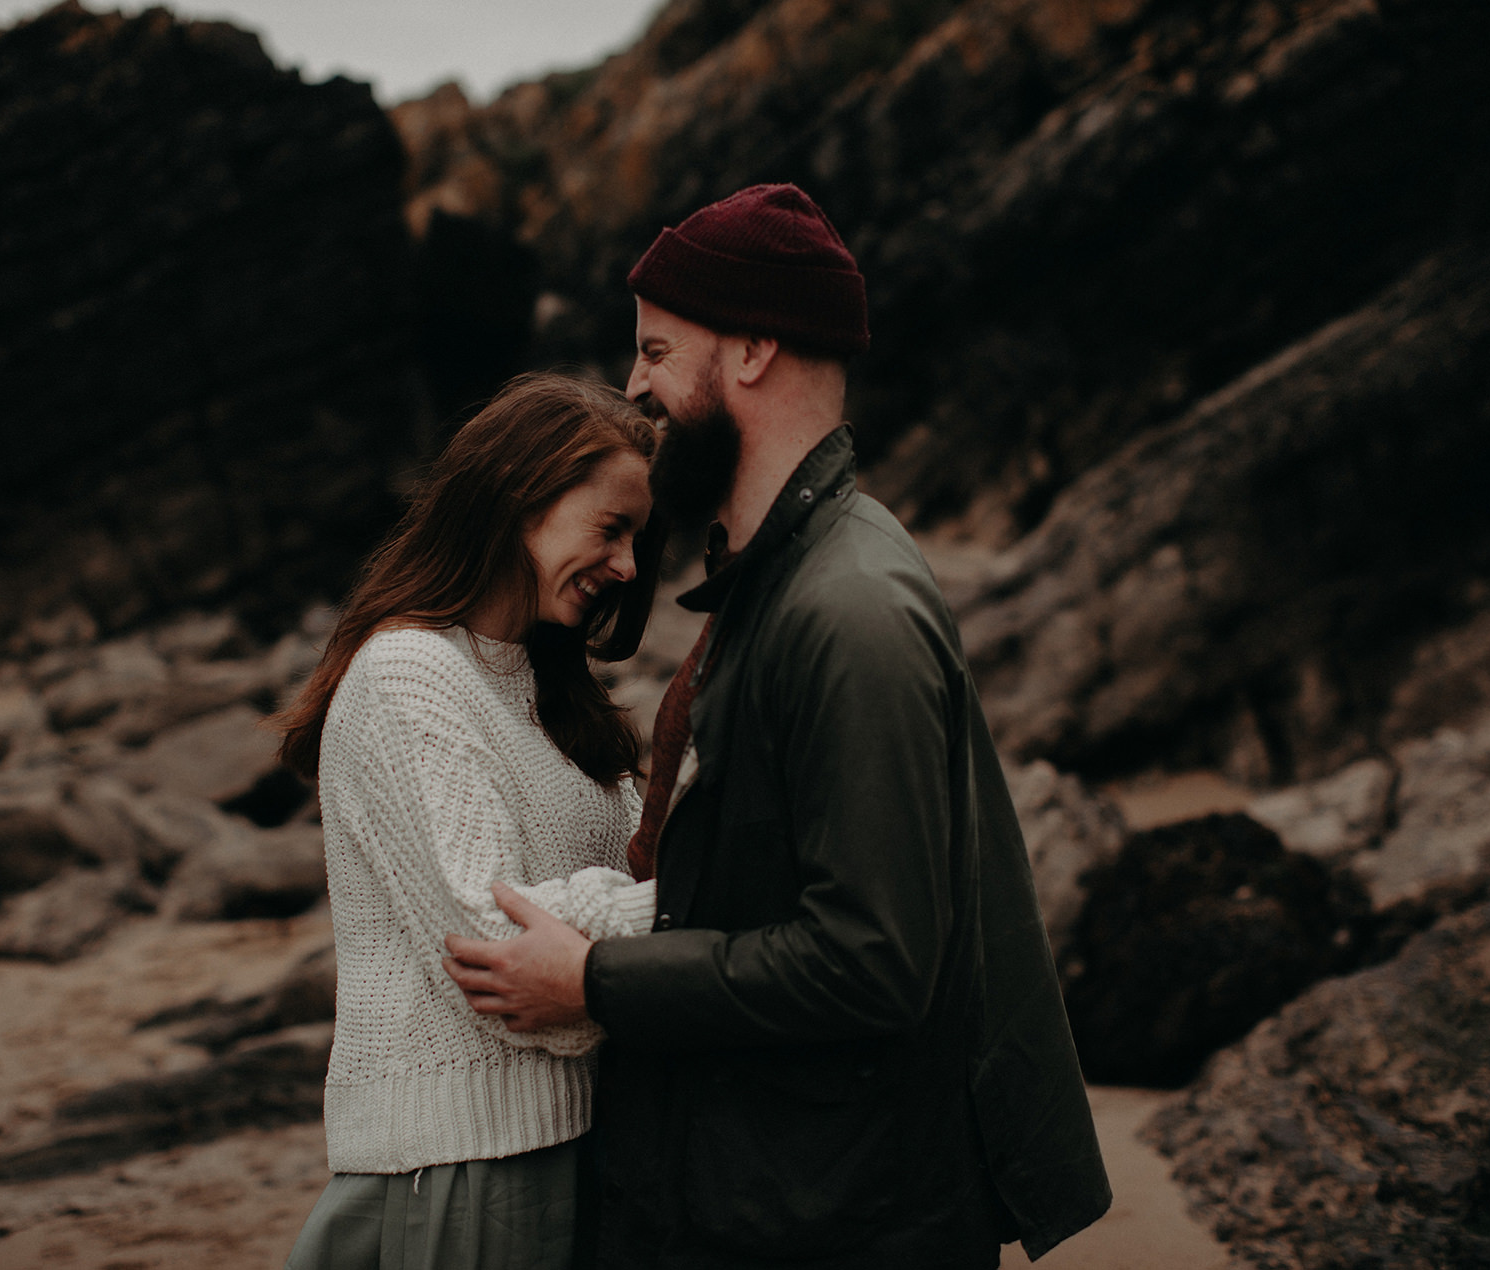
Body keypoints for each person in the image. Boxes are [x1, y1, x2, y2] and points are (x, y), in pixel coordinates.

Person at [443, 186, 1112, 1268]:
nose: (634, 386)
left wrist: (595, 979)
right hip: (785, 1190)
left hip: (837, 1215)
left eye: (657, 350)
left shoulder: (848, 607)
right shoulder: (778, 583)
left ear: (752, 348)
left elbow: (871, 958)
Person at [273, 372, 669, 1270]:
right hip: (459, 1167)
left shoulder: (544, 690)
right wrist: (706, 907)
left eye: (637, 537)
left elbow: (627, 891)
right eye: (610, 529)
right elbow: (496, 957)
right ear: (519, 500)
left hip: (560, 1149)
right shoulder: (409, 677)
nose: (628, 567)